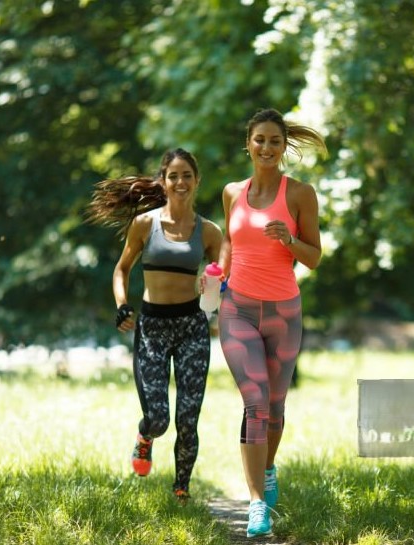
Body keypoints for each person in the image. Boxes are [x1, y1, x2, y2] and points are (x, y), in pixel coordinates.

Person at [212, 108, 327, 537]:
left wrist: (290, 240)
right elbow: (229, 240)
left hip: (284, 313)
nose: (266, 147)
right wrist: (217, 276)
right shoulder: (231, 192)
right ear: (248, 144)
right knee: (256, 405)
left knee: (276, 410)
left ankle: (269, 467)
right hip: (237, 310)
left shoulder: (300, 194)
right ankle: (256, 502)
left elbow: (314, 258)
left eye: (274, 141)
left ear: (283, 148)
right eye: (259, 139)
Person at [87, 148, 223, 502]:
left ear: (197, 181)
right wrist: (121, 306)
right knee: (159, 417)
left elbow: (221, 278)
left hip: (191, 328)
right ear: (163, 182)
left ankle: (181, 489)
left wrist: (216, 294)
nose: (180, 182)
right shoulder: (145, 224)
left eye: (187, 176)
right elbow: (121, 269)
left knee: (188, 418)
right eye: (173, 176)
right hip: (153, 330)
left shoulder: (209, 231)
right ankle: (145, 438)